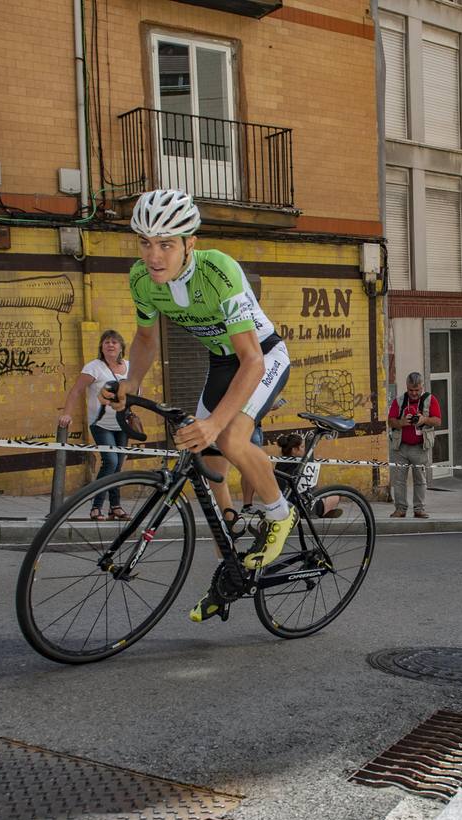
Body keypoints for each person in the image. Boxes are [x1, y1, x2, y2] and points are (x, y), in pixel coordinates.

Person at [113, 189, 294, 623]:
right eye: (146, 242)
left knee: (228, 435)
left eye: (166, 244)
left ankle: (278, 514)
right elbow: (143, 339)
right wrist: (128, 383)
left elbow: (251, 360)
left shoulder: (219, 271)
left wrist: (215, 422)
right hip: (220, 361)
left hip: (262, 355)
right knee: (203, 456)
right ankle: (232, 557)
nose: (154, 256)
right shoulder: (141, 279)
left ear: (189, 243)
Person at [59, 330, 130, 522]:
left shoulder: (129, 367)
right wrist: (67, 413)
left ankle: (115, 507)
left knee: (118, 466)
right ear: (101, 347)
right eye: (106, 342)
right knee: (111, 462)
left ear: (121, 347)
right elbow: (76, 391)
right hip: (101, 424)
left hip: (123, 424)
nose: (110, 345)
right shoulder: (94, 367)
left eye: (115, 342)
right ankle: (96, 507)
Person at [387, 372, 441, 518]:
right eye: (411, 390)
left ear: (422, 387)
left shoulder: (430, 400)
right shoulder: (399, 401)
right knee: (398, 480)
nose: (414, 393)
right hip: (401, 447)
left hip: (420, 447)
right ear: (407, 387)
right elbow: (390, 421)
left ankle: (419, 509)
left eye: (417, 390)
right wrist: (401, 422)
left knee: (420, 480)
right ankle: (400, 509)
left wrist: (424, 420)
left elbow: (437, 421)